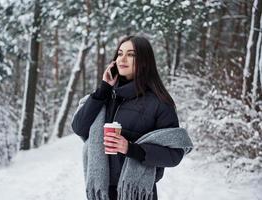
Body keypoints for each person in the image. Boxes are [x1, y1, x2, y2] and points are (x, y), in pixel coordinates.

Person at [72, 35, 193, 200]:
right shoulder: (105, 97)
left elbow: (174, 154)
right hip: (103, 193)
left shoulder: (158, 102)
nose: (122, 59)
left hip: (137, 193)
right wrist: (102, 90)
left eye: (131, 54)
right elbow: (79, 127)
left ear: (144, 60)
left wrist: (130, 148)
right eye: (120, 53)